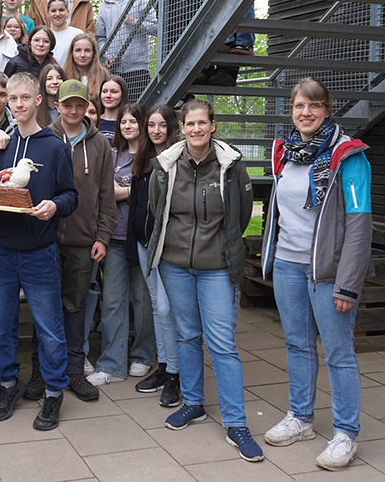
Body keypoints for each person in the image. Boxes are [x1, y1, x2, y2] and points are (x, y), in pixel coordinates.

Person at [261, 77, 372, 472]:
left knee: (339, 353)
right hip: (289, 266)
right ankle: (301, 419)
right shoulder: (285, 154)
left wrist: (348, 284)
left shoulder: (349, 156)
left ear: (327, 109)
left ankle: (346, 434)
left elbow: (359, 226)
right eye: (298, 106)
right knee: (297, 345)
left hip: (328, 272)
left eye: (314, 105)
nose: (305, 113)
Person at [149, 99, 261, 463]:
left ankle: (236, 422)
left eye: (202, 123)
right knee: (186, 335)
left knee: (222, 343)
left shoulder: (230, 167)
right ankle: (194, 403)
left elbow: (241, 217)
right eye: (189, 124)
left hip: (217, 268)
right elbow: (157, 209)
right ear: (182, 127)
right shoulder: (167, 166)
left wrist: (220, 249)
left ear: (213, 125)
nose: (196, 129)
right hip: (176, 265)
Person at [0, 71, 78, 431]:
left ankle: (54, 392)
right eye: (12, 99)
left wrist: (55, 206)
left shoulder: (55, 147)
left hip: (38, 251)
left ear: (39, 101)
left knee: (49, 328)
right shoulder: (1, 146)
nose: (18, 105)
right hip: (1, 250)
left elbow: (71, 195)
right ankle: (9, 383)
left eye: (25, 99)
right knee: (1, 327)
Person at [36, 79, 117, 403]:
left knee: (75, 307)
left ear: (87, 108)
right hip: (45, 239)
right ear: (57, 106)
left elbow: (106, 196)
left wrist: (103, 236)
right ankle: (40, 371)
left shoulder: (100, 146)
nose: (72, 110)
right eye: (66, 104)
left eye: (78, 105)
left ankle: (73, 370)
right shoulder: (44, 138)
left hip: (84, 241)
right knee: (45, 307)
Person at [87, 103, 157, 387]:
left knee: (142, 300)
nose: (127, 126)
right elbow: (101, 192)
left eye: (133, 121)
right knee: (113, 301)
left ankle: (142, 355)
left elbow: (154, 193)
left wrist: (123, 192)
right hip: (113, 238)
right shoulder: (111, 154)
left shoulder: (152, 157)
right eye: (123, 122)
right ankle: (112, 364)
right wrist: (132, 191)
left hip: (141, 238)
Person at [133, 104, 182, 407]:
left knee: (166, 309)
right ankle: (163, 367)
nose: (156, 131)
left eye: (162, 125)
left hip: (167, 246)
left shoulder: (178, 159)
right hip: (142, 243)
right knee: (155, 306)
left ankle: (175, 374)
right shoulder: (144, 159)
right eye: (151, 125)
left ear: (171, 128)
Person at [97, 0, 159, 100]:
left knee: (139, 109)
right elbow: (100, 37)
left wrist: (135, 22)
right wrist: (106, 56)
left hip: (138, 67)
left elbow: (156, 28)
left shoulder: (140, 0)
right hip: (114, 69)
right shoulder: (103, 7)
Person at [62, 32, 108, 99]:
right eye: (78, 50)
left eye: (87, 50)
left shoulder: (103, 75)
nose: (82, 55)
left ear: (94, 53)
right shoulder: (64, 76)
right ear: (72, 53)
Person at [47, 0, 84, 68]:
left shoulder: (78, 34)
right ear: (48, 13)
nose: (57, 14)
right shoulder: (44, 35)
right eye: (53, 11)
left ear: (67, 12)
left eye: (61, 10)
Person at [96, 75, 129, 144]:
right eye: (104, 91)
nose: (108, 95)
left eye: (114, 92)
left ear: (122, 94)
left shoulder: (128, 123)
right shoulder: (94, 120)